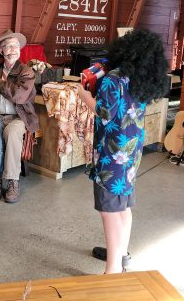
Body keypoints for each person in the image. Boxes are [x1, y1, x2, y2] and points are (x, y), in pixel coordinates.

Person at [78, 28, 169, 274]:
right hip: (132, 147)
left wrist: (84, 94)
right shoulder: (139, 78)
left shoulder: (113, 79)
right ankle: (121, 254)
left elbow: (104, 114)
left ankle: (113, 269)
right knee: (124, 204)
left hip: (112, 152)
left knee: (109, 210)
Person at [0, 29, 39, 203]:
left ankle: (12, 181)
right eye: (8, 46)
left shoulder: (26, 72)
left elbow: (19, 96)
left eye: (15, 46)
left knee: (12, 134)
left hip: (19, 117)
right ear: (2, 51)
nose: (12, 49)